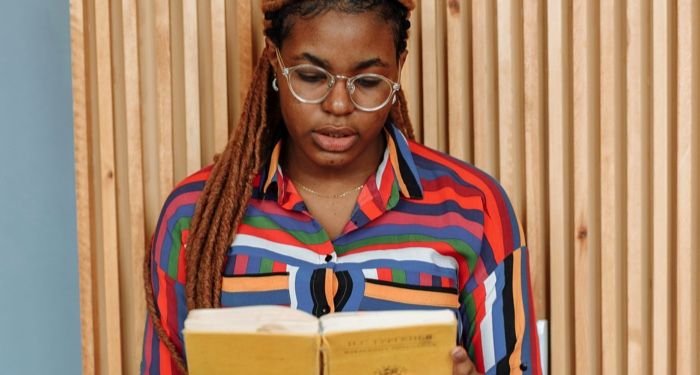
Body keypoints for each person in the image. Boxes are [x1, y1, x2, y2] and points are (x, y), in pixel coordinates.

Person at [140, 1, 541, 374]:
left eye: (367, 81)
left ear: (399, 67)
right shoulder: (196, 216)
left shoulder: (475, 208)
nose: (337, 105)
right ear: (274, 60)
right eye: (311, 77)